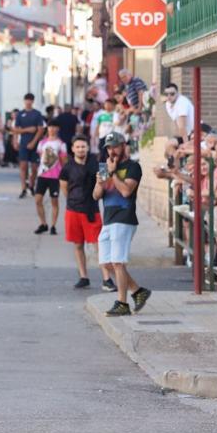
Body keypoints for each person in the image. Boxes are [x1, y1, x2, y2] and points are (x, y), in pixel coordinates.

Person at [92, 131, 151, 316]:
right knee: (107, 263)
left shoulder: (133, 167)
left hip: (124, 219)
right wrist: (100, 181)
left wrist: (113, 174)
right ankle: (138, 291)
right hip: (108, 219)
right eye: (109, 147)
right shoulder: (104, 167)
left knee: (117, 262)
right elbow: (96, 195)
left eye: (115, 146)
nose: (112, 151)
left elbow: (126, 192)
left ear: (123, 145)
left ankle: (122, 303)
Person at [61, 135, 110, 289]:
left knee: (99, 245)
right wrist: (72, 201)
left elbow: (106, 183)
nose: (81, 149)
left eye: (83, 146)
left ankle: (107, 278)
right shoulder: (67, 167)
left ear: (88, 148)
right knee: (78, 245)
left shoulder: (99, 164)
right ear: (73, 149)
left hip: (92, 210)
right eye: (78, 147)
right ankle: (83, 276)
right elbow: (64, 187)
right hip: (73, 210)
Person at [33, 120, 67, 235]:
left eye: (54, 127)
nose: (52, 129)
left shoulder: (61, 144)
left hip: (55, 176)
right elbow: (40, 157)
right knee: (38, 200)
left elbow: (63, 161)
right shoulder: (42, 142)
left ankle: (53, 225)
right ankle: (43, 223)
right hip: (42, 175)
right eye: (50, 127)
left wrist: (64, 176)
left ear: (57, 129)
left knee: (54, 202)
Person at [14, 93, 46, 198]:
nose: (28, 102)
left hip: (35, 144)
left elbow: (40, 130)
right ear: (24, 101)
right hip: (23, 143)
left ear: (32, 101)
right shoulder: (20, 114)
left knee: (34, 168)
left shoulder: (37, 114)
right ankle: (23, 188)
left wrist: (33, 142)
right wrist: (16, 140)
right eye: (26, 100)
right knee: (23, 166)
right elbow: (15, 130)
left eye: (30, 100)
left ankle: (31, 185)